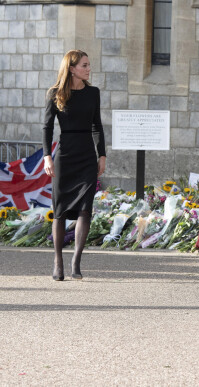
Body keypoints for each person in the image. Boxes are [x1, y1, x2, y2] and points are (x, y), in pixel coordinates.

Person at [43, 50, 106, 281]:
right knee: (59, 210)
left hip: (87, 156)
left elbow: (97, 126)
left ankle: (76, 259)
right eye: (85, 65)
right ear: (71, 68)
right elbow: (47, 127)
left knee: (85, 209)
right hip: (65, 156)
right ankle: (58, 260)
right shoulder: (54, 93)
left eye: (89, 64)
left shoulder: (93, 93)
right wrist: (46, 156)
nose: (89, 68)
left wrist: (102, 155)